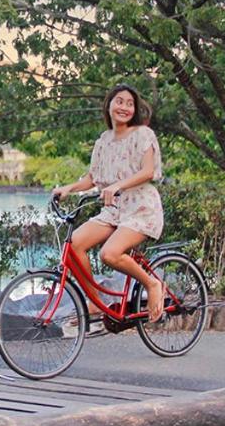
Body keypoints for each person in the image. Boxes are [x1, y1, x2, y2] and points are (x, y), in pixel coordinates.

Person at [52, 84, 167, 323]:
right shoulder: (103, 140)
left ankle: (152, 283)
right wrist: (68, 189)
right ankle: (94, 303)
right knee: (73, 246)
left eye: (129, 103)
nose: (124, 107)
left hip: (141, 207)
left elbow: (148, 171)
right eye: (119, 101)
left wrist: (118, 185)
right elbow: (92, 178)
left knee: (109, 254)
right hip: (113, 211)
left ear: (135, 109)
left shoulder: (143, 135)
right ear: (109, 105)